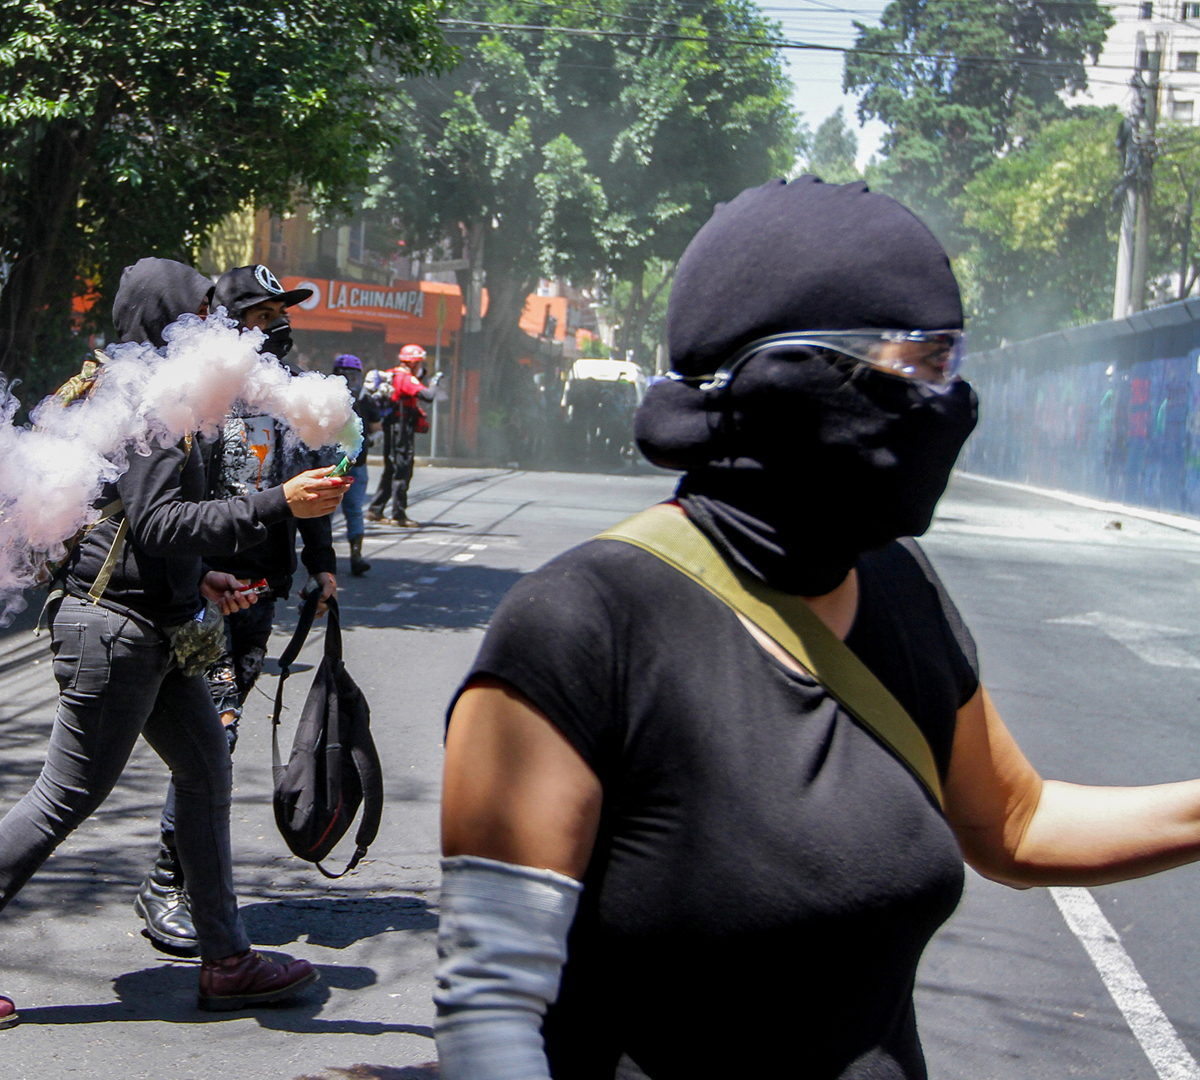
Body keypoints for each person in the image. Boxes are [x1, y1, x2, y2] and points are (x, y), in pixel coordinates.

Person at [434, 176, 1200, 1080]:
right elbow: (492, 1015)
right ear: (781, 374)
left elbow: (1017, 824)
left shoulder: (899, 586)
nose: (941, 401)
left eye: (947, 364)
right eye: (908, 363)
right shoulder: (579, 626)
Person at [0, 258, 348, 1029]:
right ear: (167, 320)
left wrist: (199, 580)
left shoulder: (149, 390)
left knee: (206, 772)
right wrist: (280, 502)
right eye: (201, 309)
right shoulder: (150, 401)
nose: (216, 324)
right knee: (66, 796)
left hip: (151, 620)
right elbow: (158, 522)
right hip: (116, 631)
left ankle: (227, 959)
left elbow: (126, 521)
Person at [132, 264, 338, 956]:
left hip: (257, 592)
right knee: (211, 733)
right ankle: (170, 882)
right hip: (201, 592)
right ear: (224, 318)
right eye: (261, 313)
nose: (276, 323)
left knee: (216, 731)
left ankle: (188, 885)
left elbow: (305, 480)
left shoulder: (284, 389)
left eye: (283, 311)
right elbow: (165, 509)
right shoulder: (201, 389)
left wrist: (323, 565)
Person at [367, 343, 440, 527]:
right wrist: (434, 382)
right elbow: (428, 395)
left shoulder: (393, 374)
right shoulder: (406, 378)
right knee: (403, 469)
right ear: (412, 363)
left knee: (391, 468)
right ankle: (398, 515)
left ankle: (375, 510)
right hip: (401, 429)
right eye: (419, 363)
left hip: (392, 426)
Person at [333, 354, 381, 576]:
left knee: (353, 509)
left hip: (355, 463)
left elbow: (377, 428)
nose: (349, 381)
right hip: (333, 463)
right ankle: (321, 558)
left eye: (353, 376)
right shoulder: (328, 396)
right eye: (344, 375)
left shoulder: (365, 399)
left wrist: (371, 439)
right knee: (327, 509)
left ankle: (356, 555)